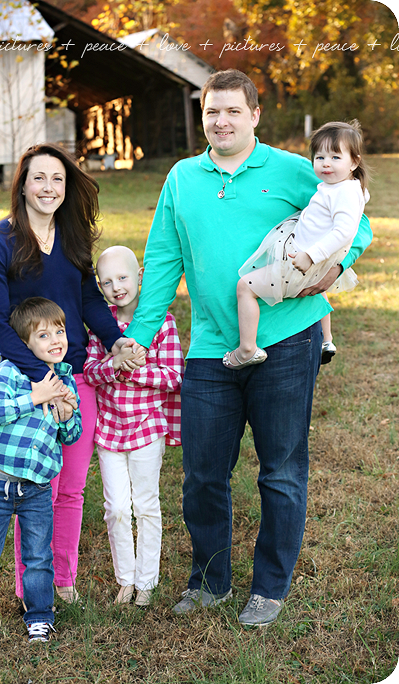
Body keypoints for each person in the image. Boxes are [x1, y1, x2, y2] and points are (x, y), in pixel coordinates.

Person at [123, 70, 372, 626]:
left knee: (280, 470)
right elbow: (164, 259)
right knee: (202, 474)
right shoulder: (183, 178)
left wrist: (334, 268)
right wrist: (138, 337)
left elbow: (356, 224)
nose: (222, 121)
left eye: (234, 111)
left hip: (285, 339)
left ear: (255, 115)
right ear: (203, 116)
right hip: (212, 347)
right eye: (213, 111)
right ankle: (210, 581)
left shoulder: (292, 169)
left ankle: (270, 587)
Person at [0, 143, 140, 604]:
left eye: (58, 179)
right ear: (22, 184)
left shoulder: (73, 239)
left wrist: (114, 340)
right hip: (28, 378)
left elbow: (89, 302)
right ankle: (32, 584)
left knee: (71, 486)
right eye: (40, 178)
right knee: (37, 487)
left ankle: (62, 579)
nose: (49, 187)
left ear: (67, 188)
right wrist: (41, 381)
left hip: (78, 371)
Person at [0, 297, 82, 643]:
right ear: (24, 343)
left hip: (37, 488)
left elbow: (72, 435)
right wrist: (35, 397)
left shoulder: (67, 381)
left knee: (39, 557)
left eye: (60, 331)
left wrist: (67, 415)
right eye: (43, 335)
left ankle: (39, 616)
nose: (55, 340)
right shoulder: (10, 370)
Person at [82, 246, 183, 608]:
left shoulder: (161, 323)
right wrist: (115, 363)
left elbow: (174, 376)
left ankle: (147, 581)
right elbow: (91, 371)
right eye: (106, 282)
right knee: (116, 509)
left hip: (145, 428)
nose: (116, 287)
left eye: (123, 278)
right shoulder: (100, 327)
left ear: (140, 276)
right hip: (109, 430)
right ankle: (125, 579)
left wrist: (136, 370)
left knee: (146, 505)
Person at [226, 120, 369, 369]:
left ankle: (247, 349)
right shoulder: (349, 187)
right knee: (320, 291)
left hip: (302, 263)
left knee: (244, 288)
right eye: (320, 156)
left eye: (336, 157)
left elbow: (345, 231)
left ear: (354, 162)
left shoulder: (342, 193)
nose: (326, 163)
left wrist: (310, 255)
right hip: (315, 260)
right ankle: (327, 339)